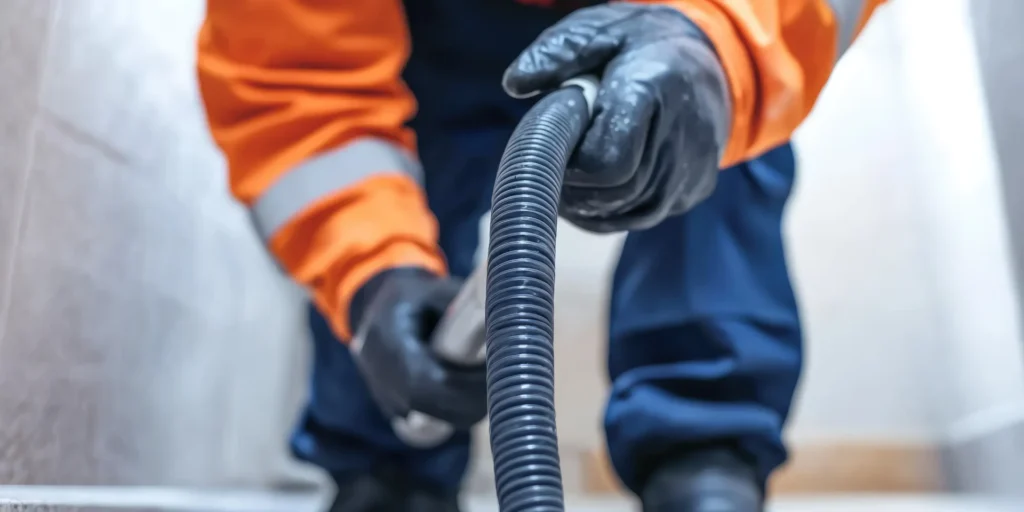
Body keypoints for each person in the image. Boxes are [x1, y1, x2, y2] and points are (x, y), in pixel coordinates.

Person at [196, 0, 885, 510]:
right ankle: (392, 469)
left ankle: (703, 460)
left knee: (708, 116)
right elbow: (299, 83)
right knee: (402, 223)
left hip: (673, 15)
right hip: (428, 32)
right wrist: (374, 276)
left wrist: (722, 46)